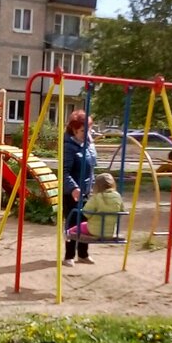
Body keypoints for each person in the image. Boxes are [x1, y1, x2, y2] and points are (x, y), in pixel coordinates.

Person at [61, 110, 98, 266]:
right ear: (74, 130)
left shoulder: (88, 145)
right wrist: (73, 188)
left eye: (88, 130)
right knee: (73, 223)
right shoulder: (68, 147)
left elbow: (92, 167)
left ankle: (83, 254)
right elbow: (64, 172)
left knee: (85, 222)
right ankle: (69, 256)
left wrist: (93, 185)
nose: (86, 133)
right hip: (72, 193)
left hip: (86, 191)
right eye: (83, 130)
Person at [67, 173, 125, 239]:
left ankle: (68, 233)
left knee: (81, 225)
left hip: (94, 231)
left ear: (97, 186)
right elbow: (122, 211)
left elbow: (86, 213)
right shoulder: (118, 196)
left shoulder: (96, 197)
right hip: (111, 232)